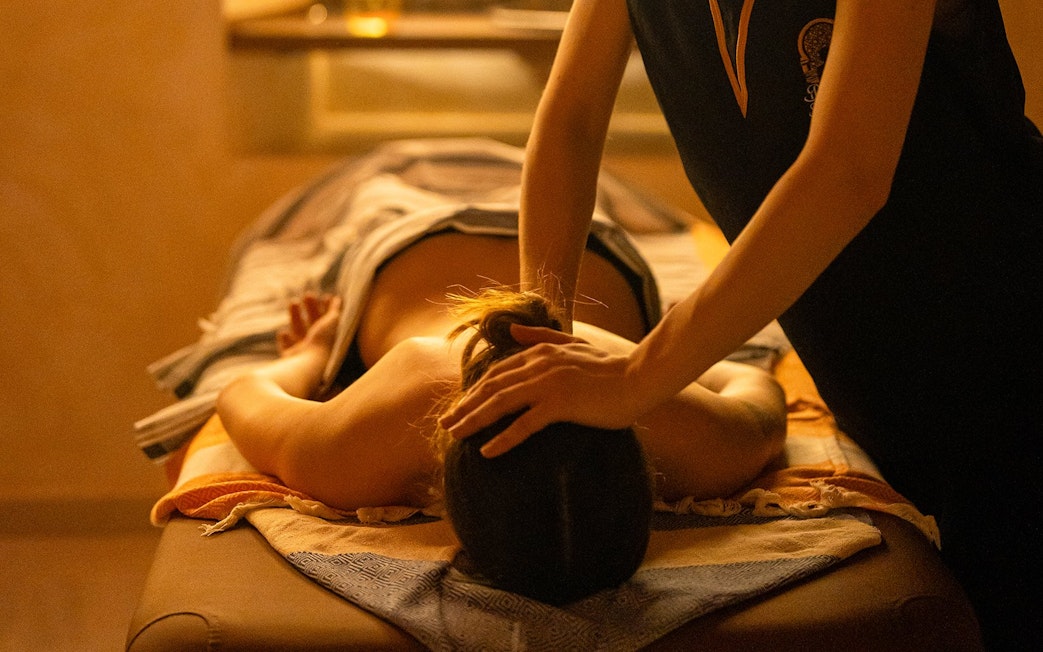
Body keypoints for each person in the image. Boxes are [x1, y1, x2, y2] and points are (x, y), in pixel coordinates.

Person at [437, 0, 1042, 647]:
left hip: (1012, 355)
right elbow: (572, 122)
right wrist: (544, 328)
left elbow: (848, 170)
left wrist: (638, 376)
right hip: (873, 379)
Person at [214, 224, 787, 604]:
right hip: (459, 237)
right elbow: (756, 378)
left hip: (552, 241)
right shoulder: (353, 448)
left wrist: (311, 354)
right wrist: (670, 365)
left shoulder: (702, 442)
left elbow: (240, 391)